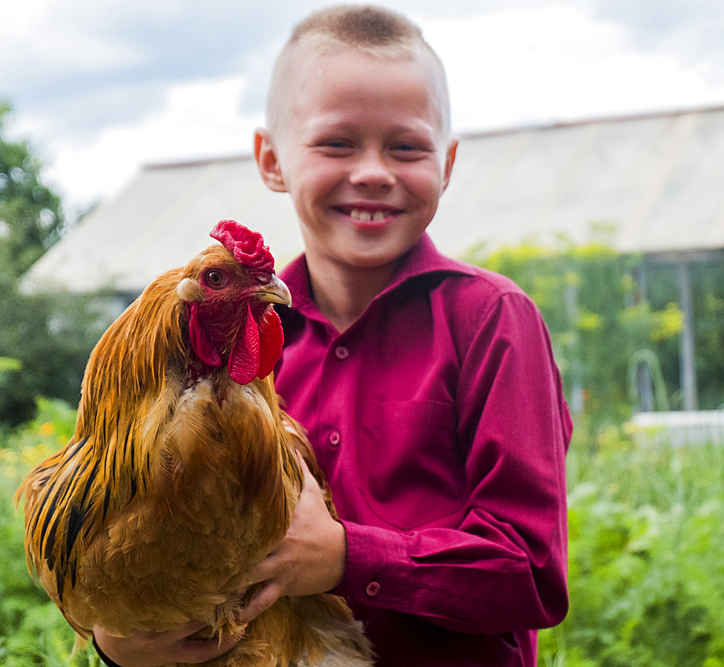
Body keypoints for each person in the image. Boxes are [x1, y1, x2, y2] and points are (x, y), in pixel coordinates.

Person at [93, 5, 571, 666]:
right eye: (337, 143)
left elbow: (531, 571)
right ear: (271, 159)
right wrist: (121, 639)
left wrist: (347, 556)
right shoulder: (223, 346)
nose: (373, 170)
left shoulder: (492, 320)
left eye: (406, 146)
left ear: (448, 161)